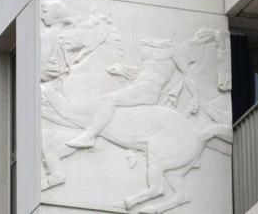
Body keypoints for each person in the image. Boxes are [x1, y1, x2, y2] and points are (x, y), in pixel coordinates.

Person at [66, 29, 216, 149]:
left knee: (109, 99)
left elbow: (187, 75)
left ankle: (89, 136)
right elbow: (140, 72)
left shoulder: (174, 50)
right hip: (138, 86)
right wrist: (123, 69)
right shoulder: (144, 47)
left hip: (150, 89)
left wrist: (195, 97)